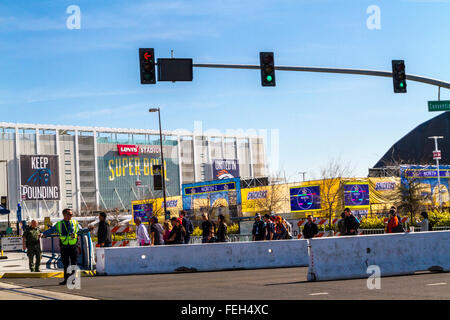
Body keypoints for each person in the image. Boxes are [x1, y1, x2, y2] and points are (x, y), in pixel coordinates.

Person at [55, 208, 80, 285]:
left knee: (73, 264)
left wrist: (88, 229)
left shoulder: (75, 223)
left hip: (73, 246)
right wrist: (43, 234)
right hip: (64, 247)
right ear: (64, 215)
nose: (71, 216)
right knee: (66, 264)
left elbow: (81, 230)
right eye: (69, 214)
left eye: (72, 214)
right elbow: (52, 230)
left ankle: (72, 279)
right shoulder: (59, 224)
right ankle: (66, 280)